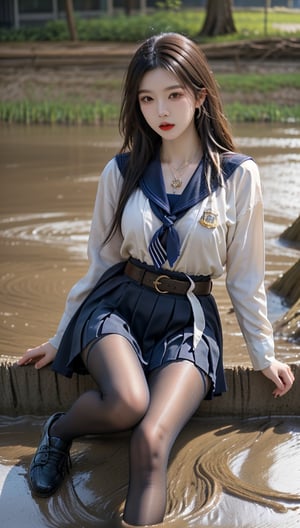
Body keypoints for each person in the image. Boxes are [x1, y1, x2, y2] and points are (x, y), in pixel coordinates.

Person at [18, 32, 294, 526]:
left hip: (188, 319)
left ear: (200, 96)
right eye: (147, 98)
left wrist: (264, 355)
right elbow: (98, 265)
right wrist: (61, 338)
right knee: (127, 403)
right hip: (118, 304)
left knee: (149, 439)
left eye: (173, 95)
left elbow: (246, 278)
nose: (160, 110)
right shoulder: (121, 171)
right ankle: (59, 430)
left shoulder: (237, 176)